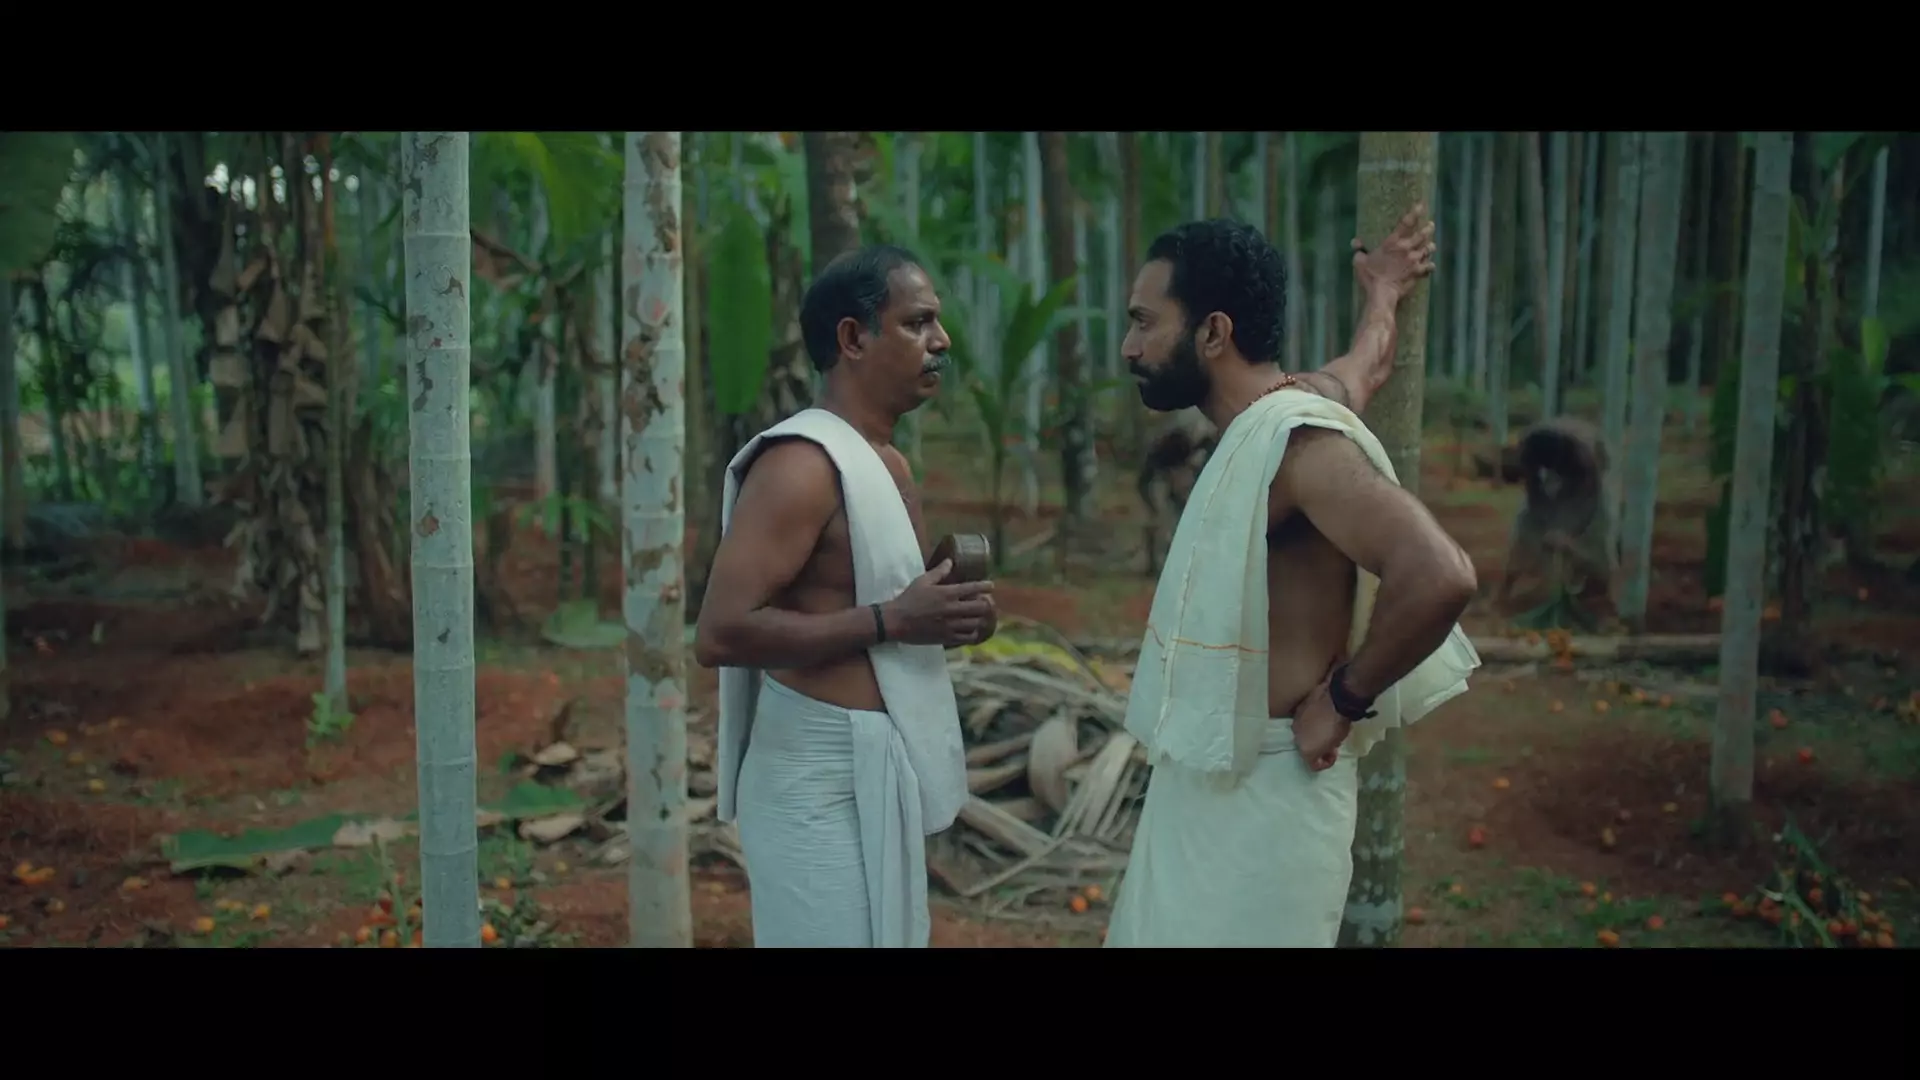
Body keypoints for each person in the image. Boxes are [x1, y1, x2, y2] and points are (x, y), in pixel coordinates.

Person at [1105, 209, 1482, 948]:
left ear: (1214, 333)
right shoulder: (1285, 414)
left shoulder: (1300, 444)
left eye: (1145, 323)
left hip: (1269, 805)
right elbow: (1365, 367)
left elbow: (1440, 573)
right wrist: (1383, 294)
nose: (1130, 347)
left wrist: (1344, 700)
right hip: (1206, 784)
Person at [693, 245, 997, 948]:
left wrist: (948, 618)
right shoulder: (800, 465)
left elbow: (879, 615)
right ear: (854, 338)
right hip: (813, 771)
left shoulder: (886, 462)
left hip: (876, 760)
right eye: (917, 323)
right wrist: (892, 620)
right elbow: (719, 632)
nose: (941, 341)